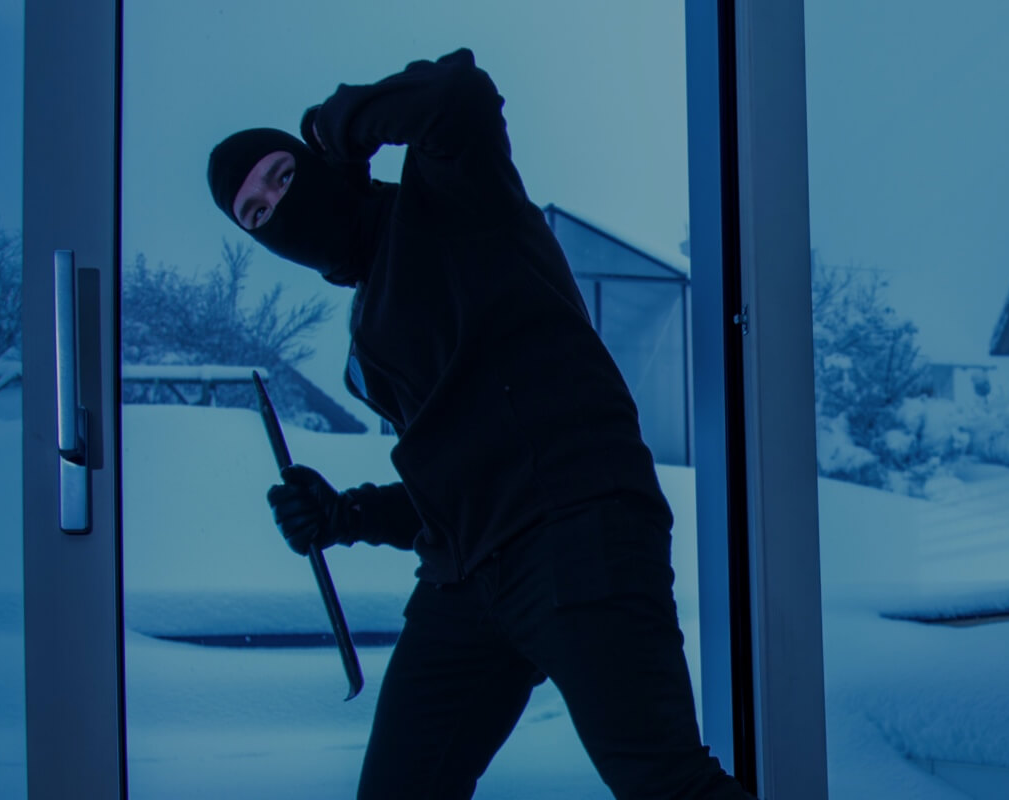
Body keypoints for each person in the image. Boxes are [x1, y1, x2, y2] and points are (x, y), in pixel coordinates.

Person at [207, 48, 754, 800]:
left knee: (666, 785)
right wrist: (345, 515)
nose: (276, 206)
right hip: (463, 582)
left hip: (576, 530)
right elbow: (455, 490)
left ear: (320, 162)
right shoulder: (366, 340)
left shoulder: (449, 196)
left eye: (281, 175)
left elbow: (457, 93)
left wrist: (338, 122)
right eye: (257, 214)